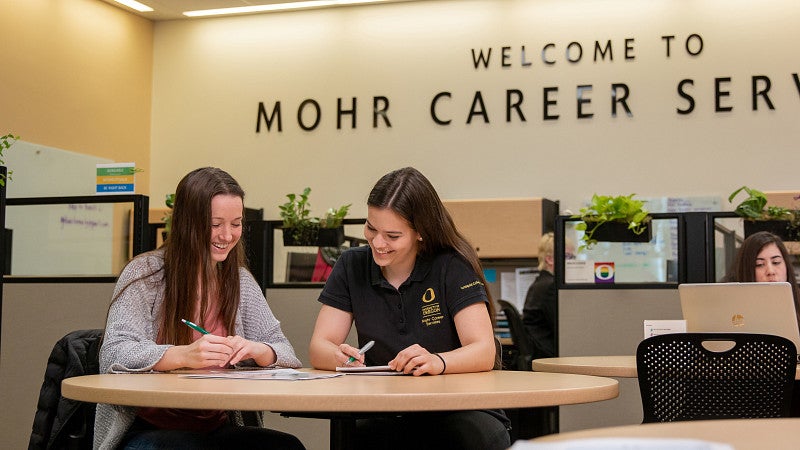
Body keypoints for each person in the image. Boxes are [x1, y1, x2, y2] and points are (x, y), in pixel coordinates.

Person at [95, 167, 305, 450]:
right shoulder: (145, 274)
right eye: (215, 224)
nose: (227, 235)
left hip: (215, 428)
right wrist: (183, 354)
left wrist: (259, 350)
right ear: (187, 222)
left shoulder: (239, 280)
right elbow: (114, 352)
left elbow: (287, 354)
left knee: (285, 446)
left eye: (236, 223)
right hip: (149, 429)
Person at [308, 167, 511, 450]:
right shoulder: (352, 265)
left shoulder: (451, 266)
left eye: (392, 236)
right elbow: (320, 346)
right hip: (386, 409)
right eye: (371, 228)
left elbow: (483, 350)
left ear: (420, 233)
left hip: (459, 409)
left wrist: (437, 362)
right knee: (357, 436)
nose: (378, 243)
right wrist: (340, 356)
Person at [722, 230, 800, 327]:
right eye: (759, 265)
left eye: (776, 262)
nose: (770, 271)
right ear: (746, 269)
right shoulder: (728, 309)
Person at [522, 232, 573, 359]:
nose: (571, 263)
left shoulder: (540, 282)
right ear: (549, 259)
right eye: (567, 257)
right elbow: (562, 329)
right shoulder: (550, 286)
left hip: (542, 352)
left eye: (572, 257)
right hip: (549, 355)